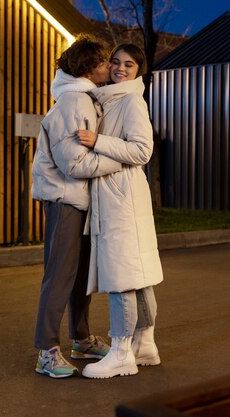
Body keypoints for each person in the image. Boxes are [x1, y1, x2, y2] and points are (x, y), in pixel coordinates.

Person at [31, 35, 122, 379]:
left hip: (79, 199)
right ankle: (46, 350)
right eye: (103, 63)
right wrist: (120, 160)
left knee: (80, 274)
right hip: (64, 198)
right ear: (88, 67)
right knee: (60, 274)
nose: (109, 68)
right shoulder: (74, 103)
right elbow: (74, 164)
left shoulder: (84, 99)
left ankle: (81, 340)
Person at [74, 44, 164, 379]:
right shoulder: (113, 97)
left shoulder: (130, 100)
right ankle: (145, 345)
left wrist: (97, 142)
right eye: (115, 62)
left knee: (121, 276)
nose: (119, 68)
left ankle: (121, 352)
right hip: (122, 195)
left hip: (121, 198)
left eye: (128, 64)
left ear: (138, 70)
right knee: (137, 276)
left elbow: (143, 150)